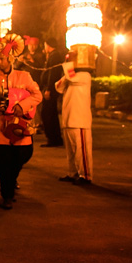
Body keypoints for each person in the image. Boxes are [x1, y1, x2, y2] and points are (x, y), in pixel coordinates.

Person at [0, 33, 42, 208]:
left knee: (24, 154)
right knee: (2, 164)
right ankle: (6, 195)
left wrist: (23, 105)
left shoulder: (24, 76)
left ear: (10, 59)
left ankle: (12, 179)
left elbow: (38, 95)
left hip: (20, 126)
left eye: (1, 59)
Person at [56, 56, 93, 185]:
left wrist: (68, 66)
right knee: (70, 151)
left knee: (81, 150)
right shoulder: (70, 75)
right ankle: (73, 173)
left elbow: (71, 77)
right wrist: (67, 72)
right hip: (68, 119)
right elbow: (58, 87)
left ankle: (85, 175)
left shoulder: (85, 75)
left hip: (79, 120)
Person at [40, 38, 65, 148]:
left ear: (48, 45)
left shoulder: (54, 56)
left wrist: (49, 89)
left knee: (48, 114)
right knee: (50, 113)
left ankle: (53, 138)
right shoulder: (52, 55)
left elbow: (53, 74)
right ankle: (54, 137)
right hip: (49, 88)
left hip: (50, 89)